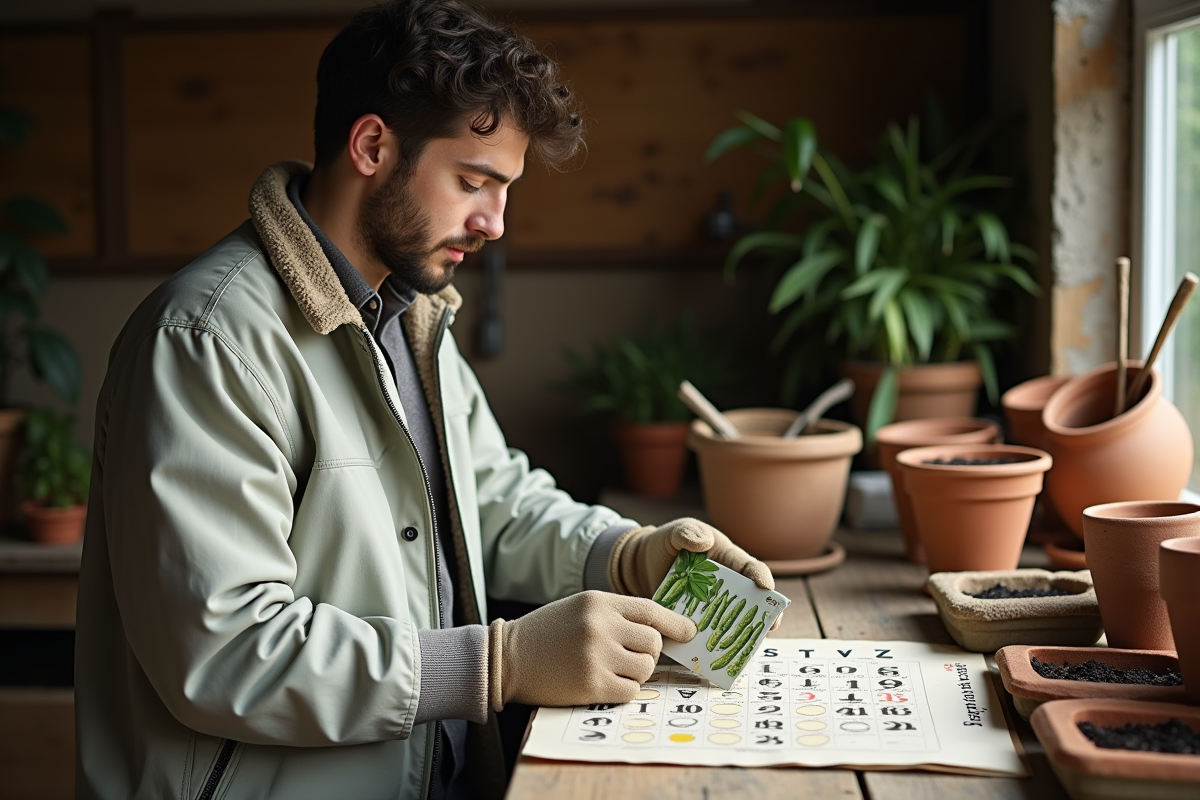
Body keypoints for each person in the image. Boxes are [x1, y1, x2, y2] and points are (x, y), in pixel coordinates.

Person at [73, 1, 775, 798]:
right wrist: (495, 664)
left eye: (504, 188)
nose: (496, 222)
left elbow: (494, 500)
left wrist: (625, 553)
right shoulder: (205, 341)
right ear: (372, 145)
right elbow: (226, 649)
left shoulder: (411, 317)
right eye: (475, 181)